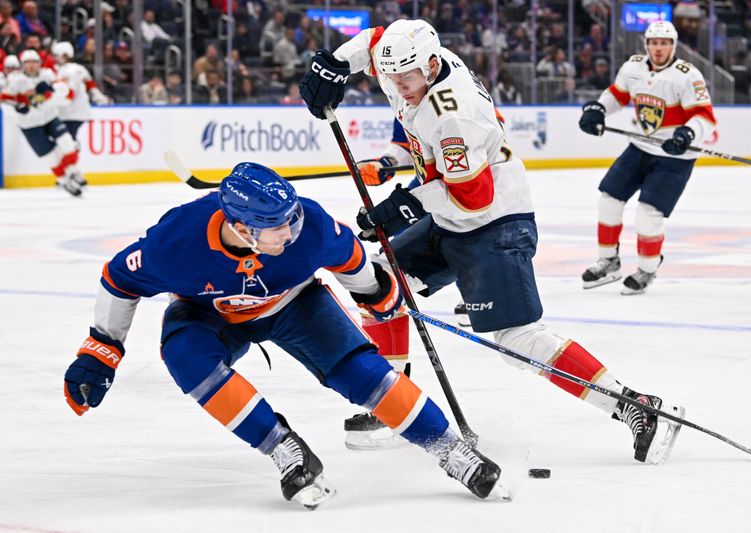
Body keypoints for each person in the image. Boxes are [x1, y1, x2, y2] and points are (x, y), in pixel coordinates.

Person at [300, 19, 685, 463]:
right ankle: (392, 404)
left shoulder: (455, 115)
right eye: (391, 77)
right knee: (378, 284)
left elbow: (471, 195)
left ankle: (637, 407)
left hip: (494, 220)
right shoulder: (407, 63)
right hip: (449, 214)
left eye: (406, 78)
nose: (398, 87)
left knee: (517, 339)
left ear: (429, 65)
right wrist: (332, 65)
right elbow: (374, 41)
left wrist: (400, 207)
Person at [62, 163, 510, 508]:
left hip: (293, 302)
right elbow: (120, 279)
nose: (291, 232)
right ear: (239, 228)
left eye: (291, 219)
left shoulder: (308, 226)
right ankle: (283, 447)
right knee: (187, 359)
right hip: (209, 312)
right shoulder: (175, 243)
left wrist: (376, 292)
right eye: (277, 227)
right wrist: (103, 347)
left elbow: (350, 259)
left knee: (361, 373)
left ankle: (449, 449)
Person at [578, 20, 717, 294]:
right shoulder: (633, 68)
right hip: (639, 147)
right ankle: (608, 261)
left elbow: (705, 117)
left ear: (673, 46)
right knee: (608, 201)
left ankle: (647, 269)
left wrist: (687, 134)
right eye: (654, 42)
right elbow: (617, 95)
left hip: (674, 157)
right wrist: (598, 108)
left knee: (647, 215)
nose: (659, 48)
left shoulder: (688, 76)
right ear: (647, 44)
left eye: (664, 43)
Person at [0, 49, 84, 196]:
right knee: (50, 156)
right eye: (27, 63)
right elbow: (4, 99)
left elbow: (65, 91)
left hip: (49, 117)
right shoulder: (16, 80)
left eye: (34, 62)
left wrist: (49, 93)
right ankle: (63, 180)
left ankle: (73, 170)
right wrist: (16, 108)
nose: (31, 66)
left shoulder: (48, 74)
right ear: (22, 65)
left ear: (40, 63)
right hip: (29, 124)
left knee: (67, 142)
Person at [52, 41, 111, 160]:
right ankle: (71, 164)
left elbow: (69, 93)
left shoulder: (67, 72)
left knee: (67, 141)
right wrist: (101, 98)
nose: (55, 58)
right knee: (67, 139)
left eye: (56, 55)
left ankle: (71, 165)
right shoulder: (78, 69)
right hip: (77, 112)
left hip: (69, 113)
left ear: (64, 55)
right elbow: (91, 85)